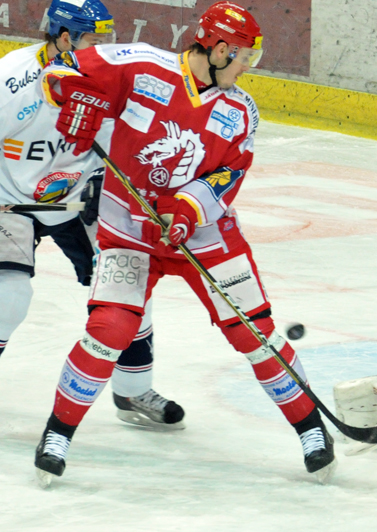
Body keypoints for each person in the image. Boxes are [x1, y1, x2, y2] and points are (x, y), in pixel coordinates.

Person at [33, 1, 336, 484]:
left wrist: (188, 209)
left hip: (205, 236)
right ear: (218, 48)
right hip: (128, 230)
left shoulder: (240, 110)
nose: (247, 68)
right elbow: (60, 67)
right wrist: (69, 94)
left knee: (254, 333)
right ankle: (56, 435)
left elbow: (228, 174)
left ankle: (313, 432)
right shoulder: (140, 65)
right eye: (243, 57)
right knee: (109, 329)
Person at [0, 0, 184, 429]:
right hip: (9, 199)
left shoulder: (113, 76)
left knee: (129, 282)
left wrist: (111, 181)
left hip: (78, 196)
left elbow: (131, 143)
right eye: (94, 39)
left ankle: (133, 390)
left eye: (107, 38)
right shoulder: (12, 81)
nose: (105, 47)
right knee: (10, 294)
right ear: (65, 38)